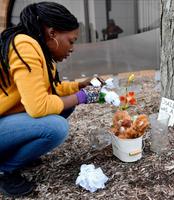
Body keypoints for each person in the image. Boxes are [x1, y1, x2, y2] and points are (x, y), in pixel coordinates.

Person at [0, 2, 104, 197]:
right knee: (56, 127)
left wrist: (79, 86)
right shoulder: (24, 45)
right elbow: (37, 106)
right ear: (52, 33)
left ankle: (16, 155)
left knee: (64, 106)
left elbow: (51, 90)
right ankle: (5, 169)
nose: (72, 48)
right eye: (71, 41)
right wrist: (81, 97)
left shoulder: (39, 49)